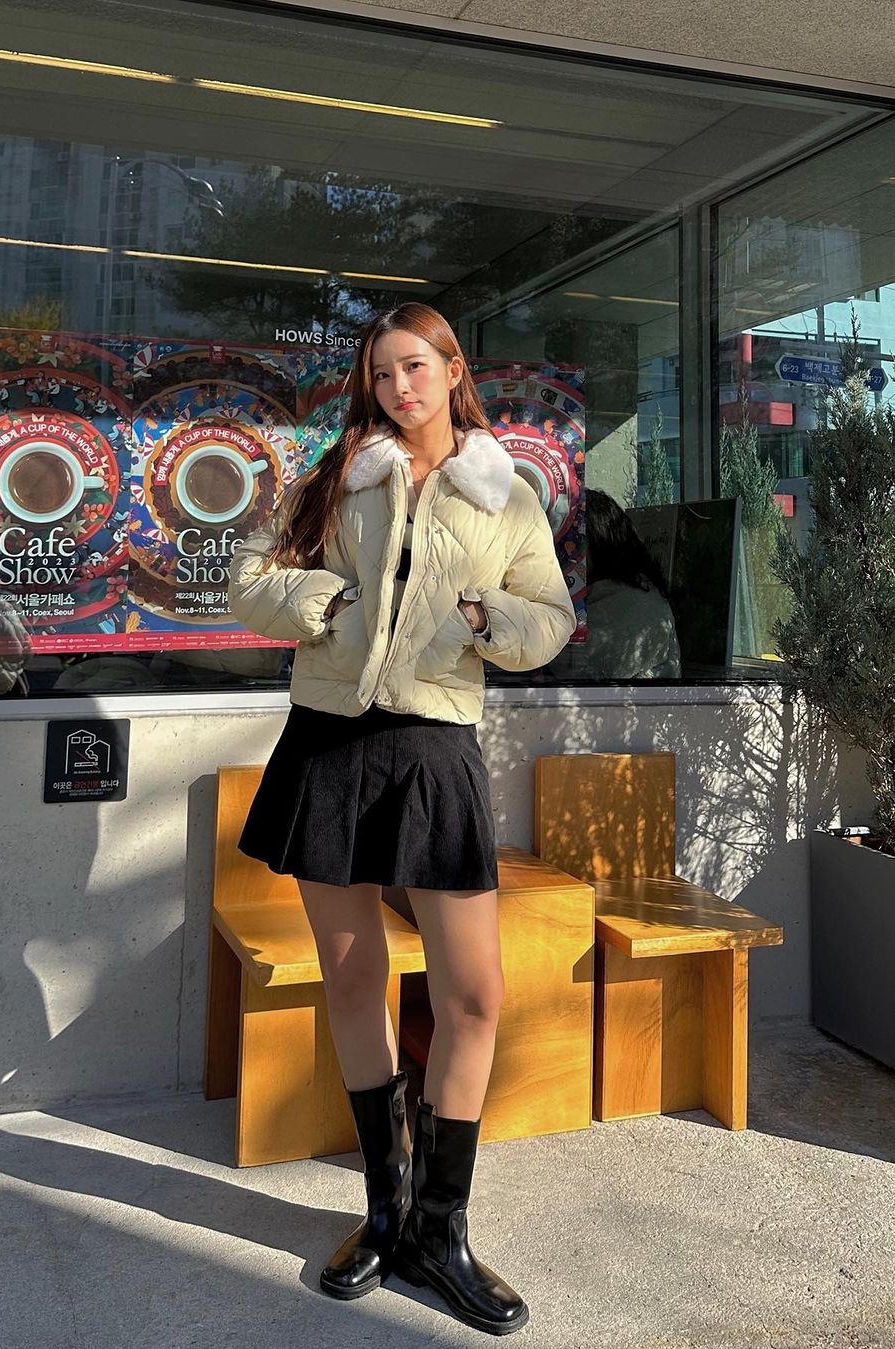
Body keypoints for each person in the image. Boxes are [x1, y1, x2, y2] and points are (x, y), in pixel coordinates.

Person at [228, 302, 575, 1336]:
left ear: (453, 368)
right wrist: (327, 603)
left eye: (416, 366)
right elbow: (249, 579)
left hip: (435, 748)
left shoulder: (504, 490)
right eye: (382, 373)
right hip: (331, 742)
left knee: (475, 992)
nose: (399, 389)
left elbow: (549, 619)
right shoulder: (337, 476)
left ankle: (440, 1227)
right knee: (353, 977)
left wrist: (481, 615)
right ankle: (385, 1213)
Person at [546, 488, 681, 681]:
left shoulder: (632, 602)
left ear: (598, 540)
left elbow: (575, 668)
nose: (562, 554)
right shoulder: (616, 590)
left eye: (571, 540)